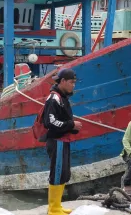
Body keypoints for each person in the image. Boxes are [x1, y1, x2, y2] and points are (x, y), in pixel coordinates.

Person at [43, 68, 82, 215]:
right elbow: (50, 123)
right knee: (57, 172)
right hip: (56, 141)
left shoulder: (63, 97)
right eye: (71, 82)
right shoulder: (54, 99)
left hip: (64, 139)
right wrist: (71, 125)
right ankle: (53, 209)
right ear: (63, 81)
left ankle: (57, 206)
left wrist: (72, 127)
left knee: (64, 173)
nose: (73, 85)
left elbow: (62, 121)